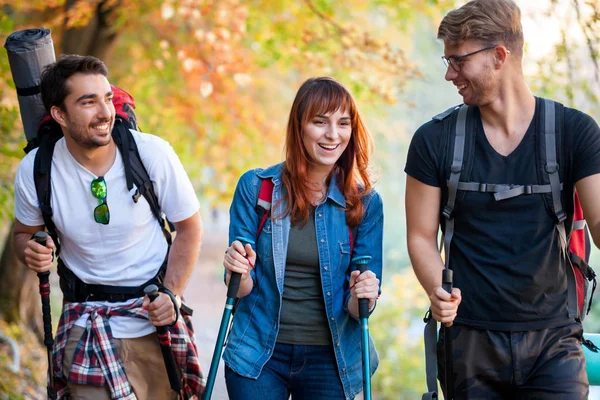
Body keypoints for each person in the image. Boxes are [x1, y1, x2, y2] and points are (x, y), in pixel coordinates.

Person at [405, 0, 600, 398]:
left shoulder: (573, 133)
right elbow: (421, 235)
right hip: (469, 343)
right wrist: (435, 289)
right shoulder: (434, 140)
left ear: (499, 56)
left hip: (555, 342)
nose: (449, 74)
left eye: (458, 61)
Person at [13, 55, 204, 399]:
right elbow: (22, 235)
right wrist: (31, 251)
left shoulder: (150, 154)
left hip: (152, 317)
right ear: (59, 114)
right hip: (84, 323)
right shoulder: (36, 169)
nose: (104, 112)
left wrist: (172, 295)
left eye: (106, 98)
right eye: (88, 102)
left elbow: (189, 228)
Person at [221, 77, 384, 400]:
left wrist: (364, 292)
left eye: (342, 124)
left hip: (331, 360)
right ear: (300, 127)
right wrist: (235, 268)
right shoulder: (257, 189)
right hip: (258, 354)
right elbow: (239, 289)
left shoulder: (364, 203)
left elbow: (358, 309)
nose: (332, 135)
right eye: (319, 122)